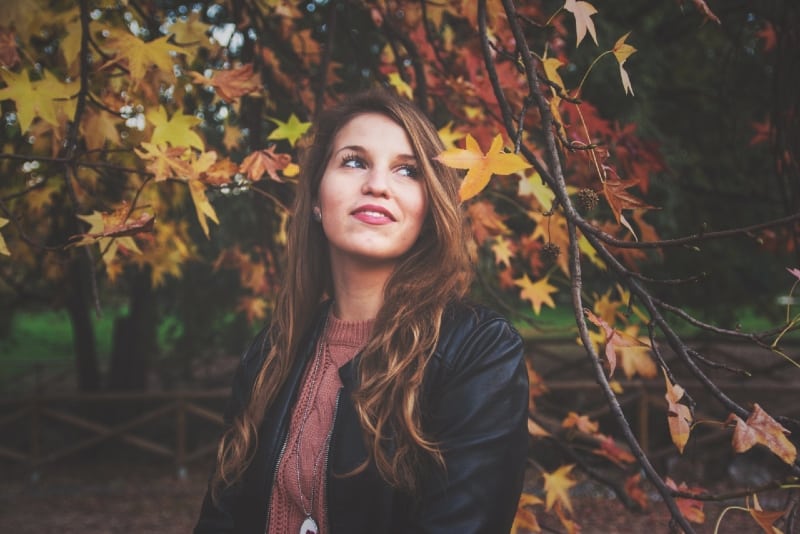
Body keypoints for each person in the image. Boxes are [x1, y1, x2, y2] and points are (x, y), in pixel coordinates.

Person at [195, 88, 529, 534]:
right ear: (316, 199)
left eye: (407, 170)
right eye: (353, 161)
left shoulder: (478, 350)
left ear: (429, 208)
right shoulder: (270, 355)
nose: (376, 184)